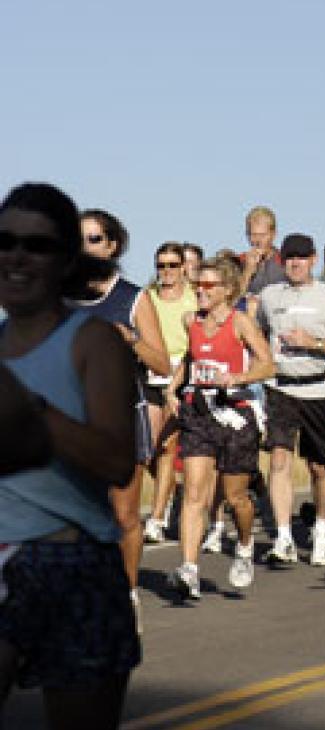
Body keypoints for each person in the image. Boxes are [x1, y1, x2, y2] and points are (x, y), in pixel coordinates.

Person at [0, 182, 141, 728]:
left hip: (72, 562)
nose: (16, 256)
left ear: (63, 262)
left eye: (35, 246)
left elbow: (117, 462)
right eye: (5, 240)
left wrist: (32, 412)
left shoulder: (93, 341)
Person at [75, 209, 171, 622]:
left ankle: (127, 591)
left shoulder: (132, 298)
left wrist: (130, 339)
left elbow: (163, 364)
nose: (86, 248)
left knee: (124, 515)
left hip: (120, 418)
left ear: (112, 246)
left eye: (94, 239)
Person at [164, 256, 274, 599]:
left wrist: (239, 377)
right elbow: (191, 359)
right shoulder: (190, 320)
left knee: (235, 496)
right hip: (199, 413)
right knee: (194, 494)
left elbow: (268, 364)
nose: (200, 290)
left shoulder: (240, 322)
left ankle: (244, 546)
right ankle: (189, 569)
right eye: (198, 284)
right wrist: (173, 387)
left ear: (227, 291)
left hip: (236, 414)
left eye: (208, 286)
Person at [256, 234, 325, 567]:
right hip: (282, 388)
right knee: (279, 460)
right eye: (290, 258)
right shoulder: (270, 296)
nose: (296, 264)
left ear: (313, 259)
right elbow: (256, 332)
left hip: (320, 389)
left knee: (320, 467)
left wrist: (313, 343)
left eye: (302, 258)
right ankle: (283, 536)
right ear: (283, 261)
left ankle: (323, 528)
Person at [143, 243, 196, 544]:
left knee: (167, 445)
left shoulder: (193, 299)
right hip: (150, 375)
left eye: (172, 265)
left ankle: (156, 517)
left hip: (181, 378)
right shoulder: (147, 299)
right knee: (148, 446)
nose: (166, 271)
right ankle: (172, 489)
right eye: (161, 265)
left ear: (183, 267)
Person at [240, 206, 287, 296]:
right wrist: (247, 272)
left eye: (262, 235)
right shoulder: (239, 262)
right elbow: (231, 301)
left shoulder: (285, 261)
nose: (258, 240)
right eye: (253, 235)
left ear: (273, 234)